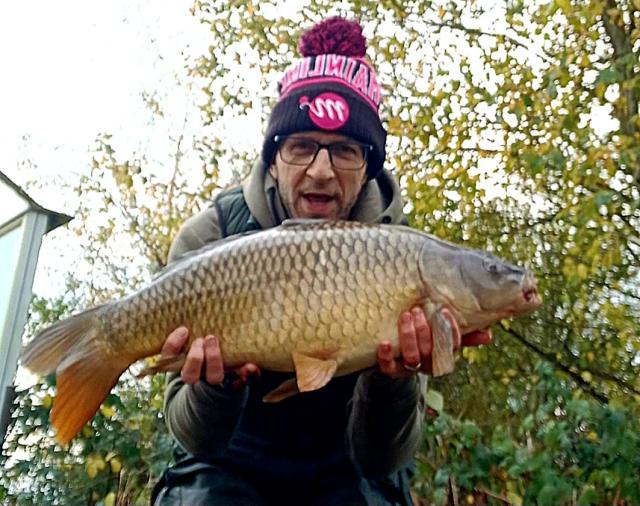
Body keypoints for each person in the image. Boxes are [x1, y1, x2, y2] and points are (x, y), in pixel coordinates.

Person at [151, 17, 491, 506]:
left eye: (345, 151)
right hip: (227, 459)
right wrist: (216, 387)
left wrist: (391, 382)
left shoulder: (407, 256)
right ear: (273, 159)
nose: (321, 171)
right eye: (302, 147)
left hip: (349, 463)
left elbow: (382, 459)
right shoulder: (213, 236)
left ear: (369, 166)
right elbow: (193, 438)